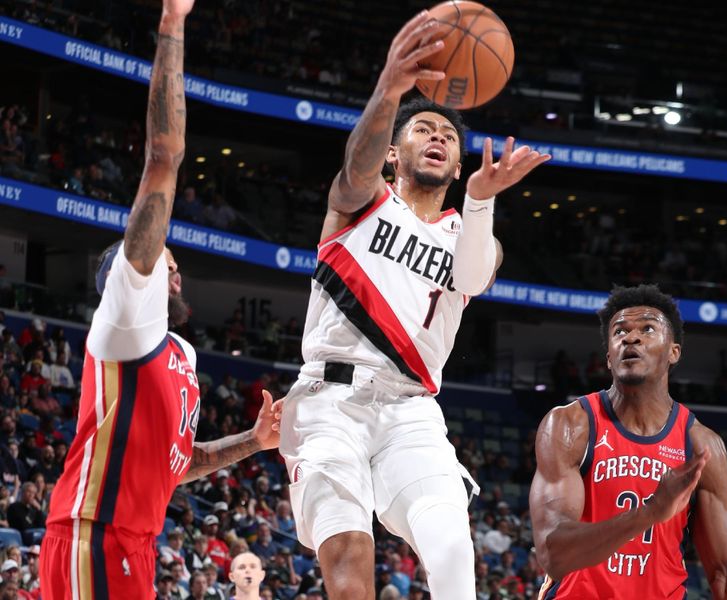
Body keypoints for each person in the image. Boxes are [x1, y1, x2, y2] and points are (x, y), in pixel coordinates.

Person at [278, 10, 550, 600]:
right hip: (329, 400)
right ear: (394, 155)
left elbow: (474, 279)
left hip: (410, 410)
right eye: (423, 129)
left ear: (458, 165)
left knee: (453, 546)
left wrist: (480, 201)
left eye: (449, 137)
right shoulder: (361, 203)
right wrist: (390, 90)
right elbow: (355, 167)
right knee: (350, 558)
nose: (438, 138)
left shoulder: (473, 232)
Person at [39, 1, 282, 597]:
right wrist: (172, 25)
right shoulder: (127, 316)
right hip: (91, 535)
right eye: (164, 260)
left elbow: (180, 464)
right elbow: (163, 159)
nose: (175, 269)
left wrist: (253, 442)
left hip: (139, 544)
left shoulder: (180, 354)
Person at [530, 284, 727, 599]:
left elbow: (726, 571)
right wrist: (650, 512)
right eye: (619, 331)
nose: (631, 338)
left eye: (648, 329)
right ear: (609, 357)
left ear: (674, 351)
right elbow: (553, 554)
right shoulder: (570, 425)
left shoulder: (702, 445)